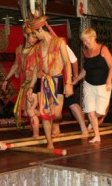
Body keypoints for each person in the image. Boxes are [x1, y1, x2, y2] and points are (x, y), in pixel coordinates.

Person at [26, 16, 73, 149]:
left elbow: (67, 62)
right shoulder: (37, 47)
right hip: (43, 81)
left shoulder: (59, 42)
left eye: (35, 33)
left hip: (57, 80)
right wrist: (30, 87)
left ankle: (55, 125)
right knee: (45, 116)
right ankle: (50, 143)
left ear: (41, 29)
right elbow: (36, 68)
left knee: (56, 115)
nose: (34, 37)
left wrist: (69, 83)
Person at [73, 28, 112, 143]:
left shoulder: (103, 49)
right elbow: (86, 69)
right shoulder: (86, 52)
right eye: (84, 41)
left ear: (93, 38)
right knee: (90, 111)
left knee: (100, 113)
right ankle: (97, 135)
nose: (85, 44)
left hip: (103, 86)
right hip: (89, 84)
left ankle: (93, 121)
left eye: (87, 41)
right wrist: (77, 79)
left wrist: (109, 80)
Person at [2, 30, 39, 138]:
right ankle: (48, 114)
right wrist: (6, 79)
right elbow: (15, 65)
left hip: (34, 82)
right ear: (25, 35)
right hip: (26, 84)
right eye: (32, 36)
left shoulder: (36, 49)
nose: (34, 39)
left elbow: (37, 69)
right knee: (27, 112)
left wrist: (32, 86)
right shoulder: (19, 49)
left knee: (31, 110)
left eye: (36, 37)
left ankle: (36, 135)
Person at [63, 45, 88, 135]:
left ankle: (83, 127)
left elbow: (74, 60)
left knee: (71, 103)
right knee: (54, 105)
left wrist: (75, 76)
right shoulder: (40, 45)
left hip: (64, 78)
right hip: (50, 80)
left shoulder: (61, 44)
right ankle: (55, 130)